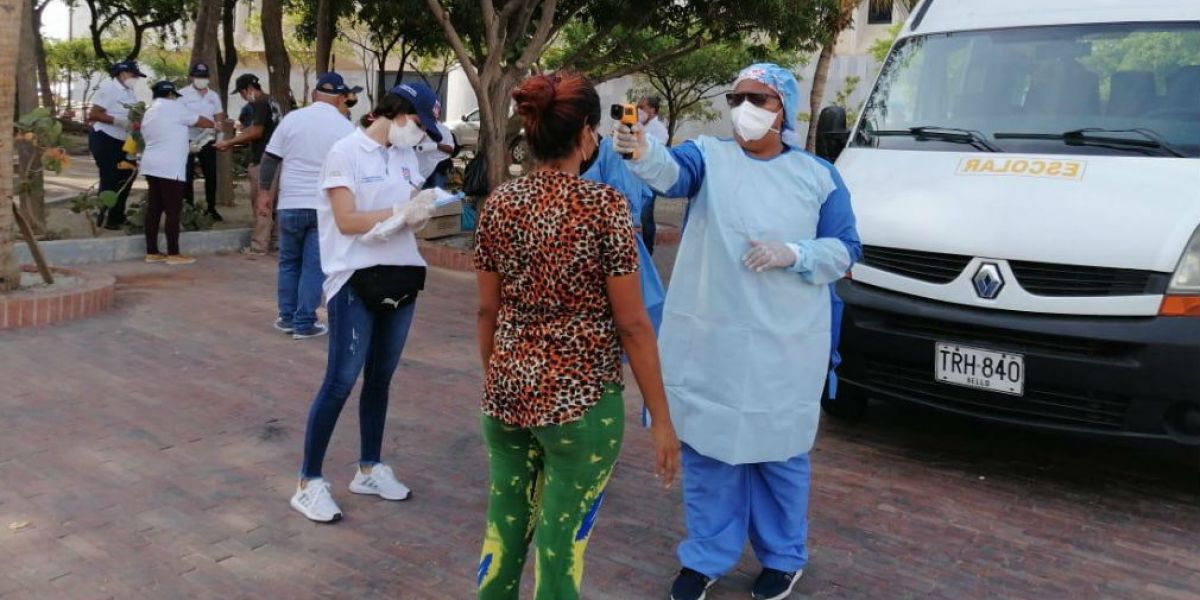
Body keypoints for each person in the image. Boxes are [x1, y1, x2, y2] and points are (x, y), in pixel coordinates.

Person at [614, 63, 862, 600]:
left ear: (784, 109)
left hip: (786, 343)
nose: (744, 108)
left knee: (779, 453)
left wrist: (794, 253)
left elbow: (846, 250)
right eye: (737, 97)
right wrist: (640, 149)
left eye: (759, 98)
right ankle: (706, 557)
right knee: (709, 449)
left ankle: (783, 556)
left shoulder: (819, 176)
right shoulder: (709, 157)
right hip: (714, 339)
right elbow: (670, 172)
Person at [473, 71, 681, 600]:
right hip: (582, 405)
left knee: (503, 536)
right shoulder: (605, 208)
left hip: (507, 395)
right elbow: (632, 324)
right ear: (587, 134)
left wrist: (499, 379)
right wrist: (660, 418)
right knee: (561, 550)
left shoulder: (499, 204)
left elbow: (487, 311)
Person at [288, 84, 444, 523]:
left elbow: (405, 210)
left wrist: (418, 210)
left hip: (400, 275)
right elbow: (346, 220)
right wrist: (399, 211)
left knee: (380, 379)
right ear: (398, 112)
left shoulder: (406, 156)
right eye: (419, 124)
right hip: (355, 278)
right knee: (341, 380)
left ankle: (370, 468)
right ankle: (309, 482)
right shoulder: (346, 152)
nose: (420, 134)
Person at [254, 72, 357, 339]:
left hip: (289, 204)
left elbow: (270, 158)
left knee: (288, 262)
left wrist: (264, 193)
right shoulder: (346, 129)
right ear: (341, 98)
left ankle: (286, 317)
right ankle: (304, 323)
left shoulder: (292, 119)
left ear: (313, 94)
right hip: (323, 207)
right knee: (314, 266)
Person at [139, 81, 215, 265]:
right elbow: (204, 122)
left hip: (151, 165)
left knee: (154, 209)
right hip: (170, 167)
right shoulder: (176, 108)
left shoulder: (149, 111)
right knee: (173, 210)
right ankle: (173, 253)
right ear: (171, 95)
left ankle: (152, 252)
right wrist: (214, 124)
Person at [216, 74, 280, 256]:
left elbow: (257, 131)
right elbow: (257, 127)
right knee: (275, 204)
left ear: (249, 90)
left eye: (242, 93)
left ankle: (258, 245)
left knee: (261, 203)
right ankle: (276, 241)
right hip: (277, 159)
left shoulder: (259, 104)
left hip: (264, 160)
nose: (244, 98)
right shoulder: (272, 101)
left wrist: (230, 142)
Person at [87, 60, 146, 230]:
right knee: (110, 178)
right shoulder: (108, 88)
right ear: (123, 73)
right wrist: (118, 121)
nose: (136, 79)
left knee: (127, 175)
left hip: (124, 141)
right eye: (134, 75)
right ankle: (104, 217)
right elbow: (94, 114)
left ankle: (117, 216)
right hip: (105, 138)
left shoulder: (129, 91)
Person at [179, 62, 226, 221]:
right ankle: (188, 208)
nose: (201, 80)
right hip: (187, 138)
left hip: (207, 139)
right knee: (187, 174)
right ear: (192, 77)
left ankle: (211, 208)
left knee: (211, 174)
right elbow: (180, 117)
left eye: (204, 77)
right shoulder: (182, 94)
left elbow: (219, 116)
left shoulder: (213, 96)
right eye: (198, 77)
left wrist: (220, 135)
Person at [636, 96, 669, 254]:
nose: (639, 110)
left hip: (649, 178)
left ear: (653, 111)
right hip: (635, 176)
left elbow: (657, 150)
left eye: (642, 107)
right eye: (638, 107)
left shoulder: (659, 129)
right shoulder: (637, 125)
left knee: (646, 214)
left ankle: (648, 250)